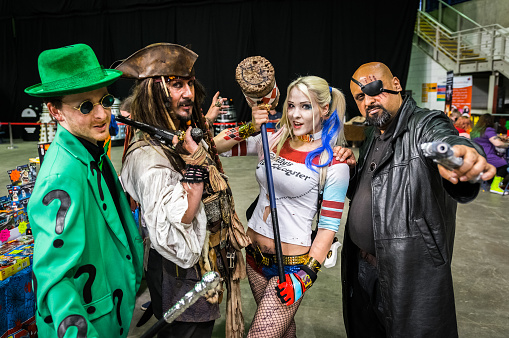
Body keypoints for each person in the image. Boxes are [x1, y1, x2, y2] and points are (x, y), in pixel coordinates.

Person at [340, 62, 495, 337]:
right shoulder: (372, 135)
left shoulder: (424, 124)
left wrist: (461, 157)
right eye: (360, 97)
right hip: (361, 267)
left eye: (374, 89)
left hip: (406, 274)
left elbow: (445, 138)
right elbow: (374, 196)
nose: (369, 100)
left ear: (396, 84)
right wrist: (352, 172)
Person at [115, 43, 250, 338]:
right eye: (176, 85)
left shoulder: (174, 138)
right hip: (182, 274)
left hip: (196, 268)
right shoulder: (149, 157)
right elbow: (179, 235)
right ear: (155, 91)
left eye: (189, 84)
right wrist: (196, 183)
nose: (188, 93)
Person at [215, 75, 352, 337]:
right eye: (291, 106)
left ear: (324, 110)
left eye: (306, 106)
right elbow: (218, 148)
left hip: (289, 268)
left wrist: (305, 277)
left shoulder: (333, 162)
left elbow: (327, 229)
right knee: (284, 331)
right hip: (254, 257)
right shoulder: (274, 139)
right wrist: (250, 127)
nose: (295, 115)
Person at [25, 44, 143, 337]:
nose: (102, 114)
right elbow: (55, 280)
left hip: (113, 311)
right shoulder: (60, 177)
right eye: (85, 106)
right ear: (56, 111)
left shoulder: (91, 153)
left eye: (104, 99)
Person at [470, 113, 509, 194]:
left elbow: (486, 138)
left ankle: (489, 183)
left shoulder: (475, 131)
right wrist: (507, 144)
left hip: (478, 156)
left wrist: (498, 136)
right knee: (503, 164)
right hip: (488, 156)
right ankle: (495, 186)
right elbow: (497, 143)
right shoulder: (489, 130)